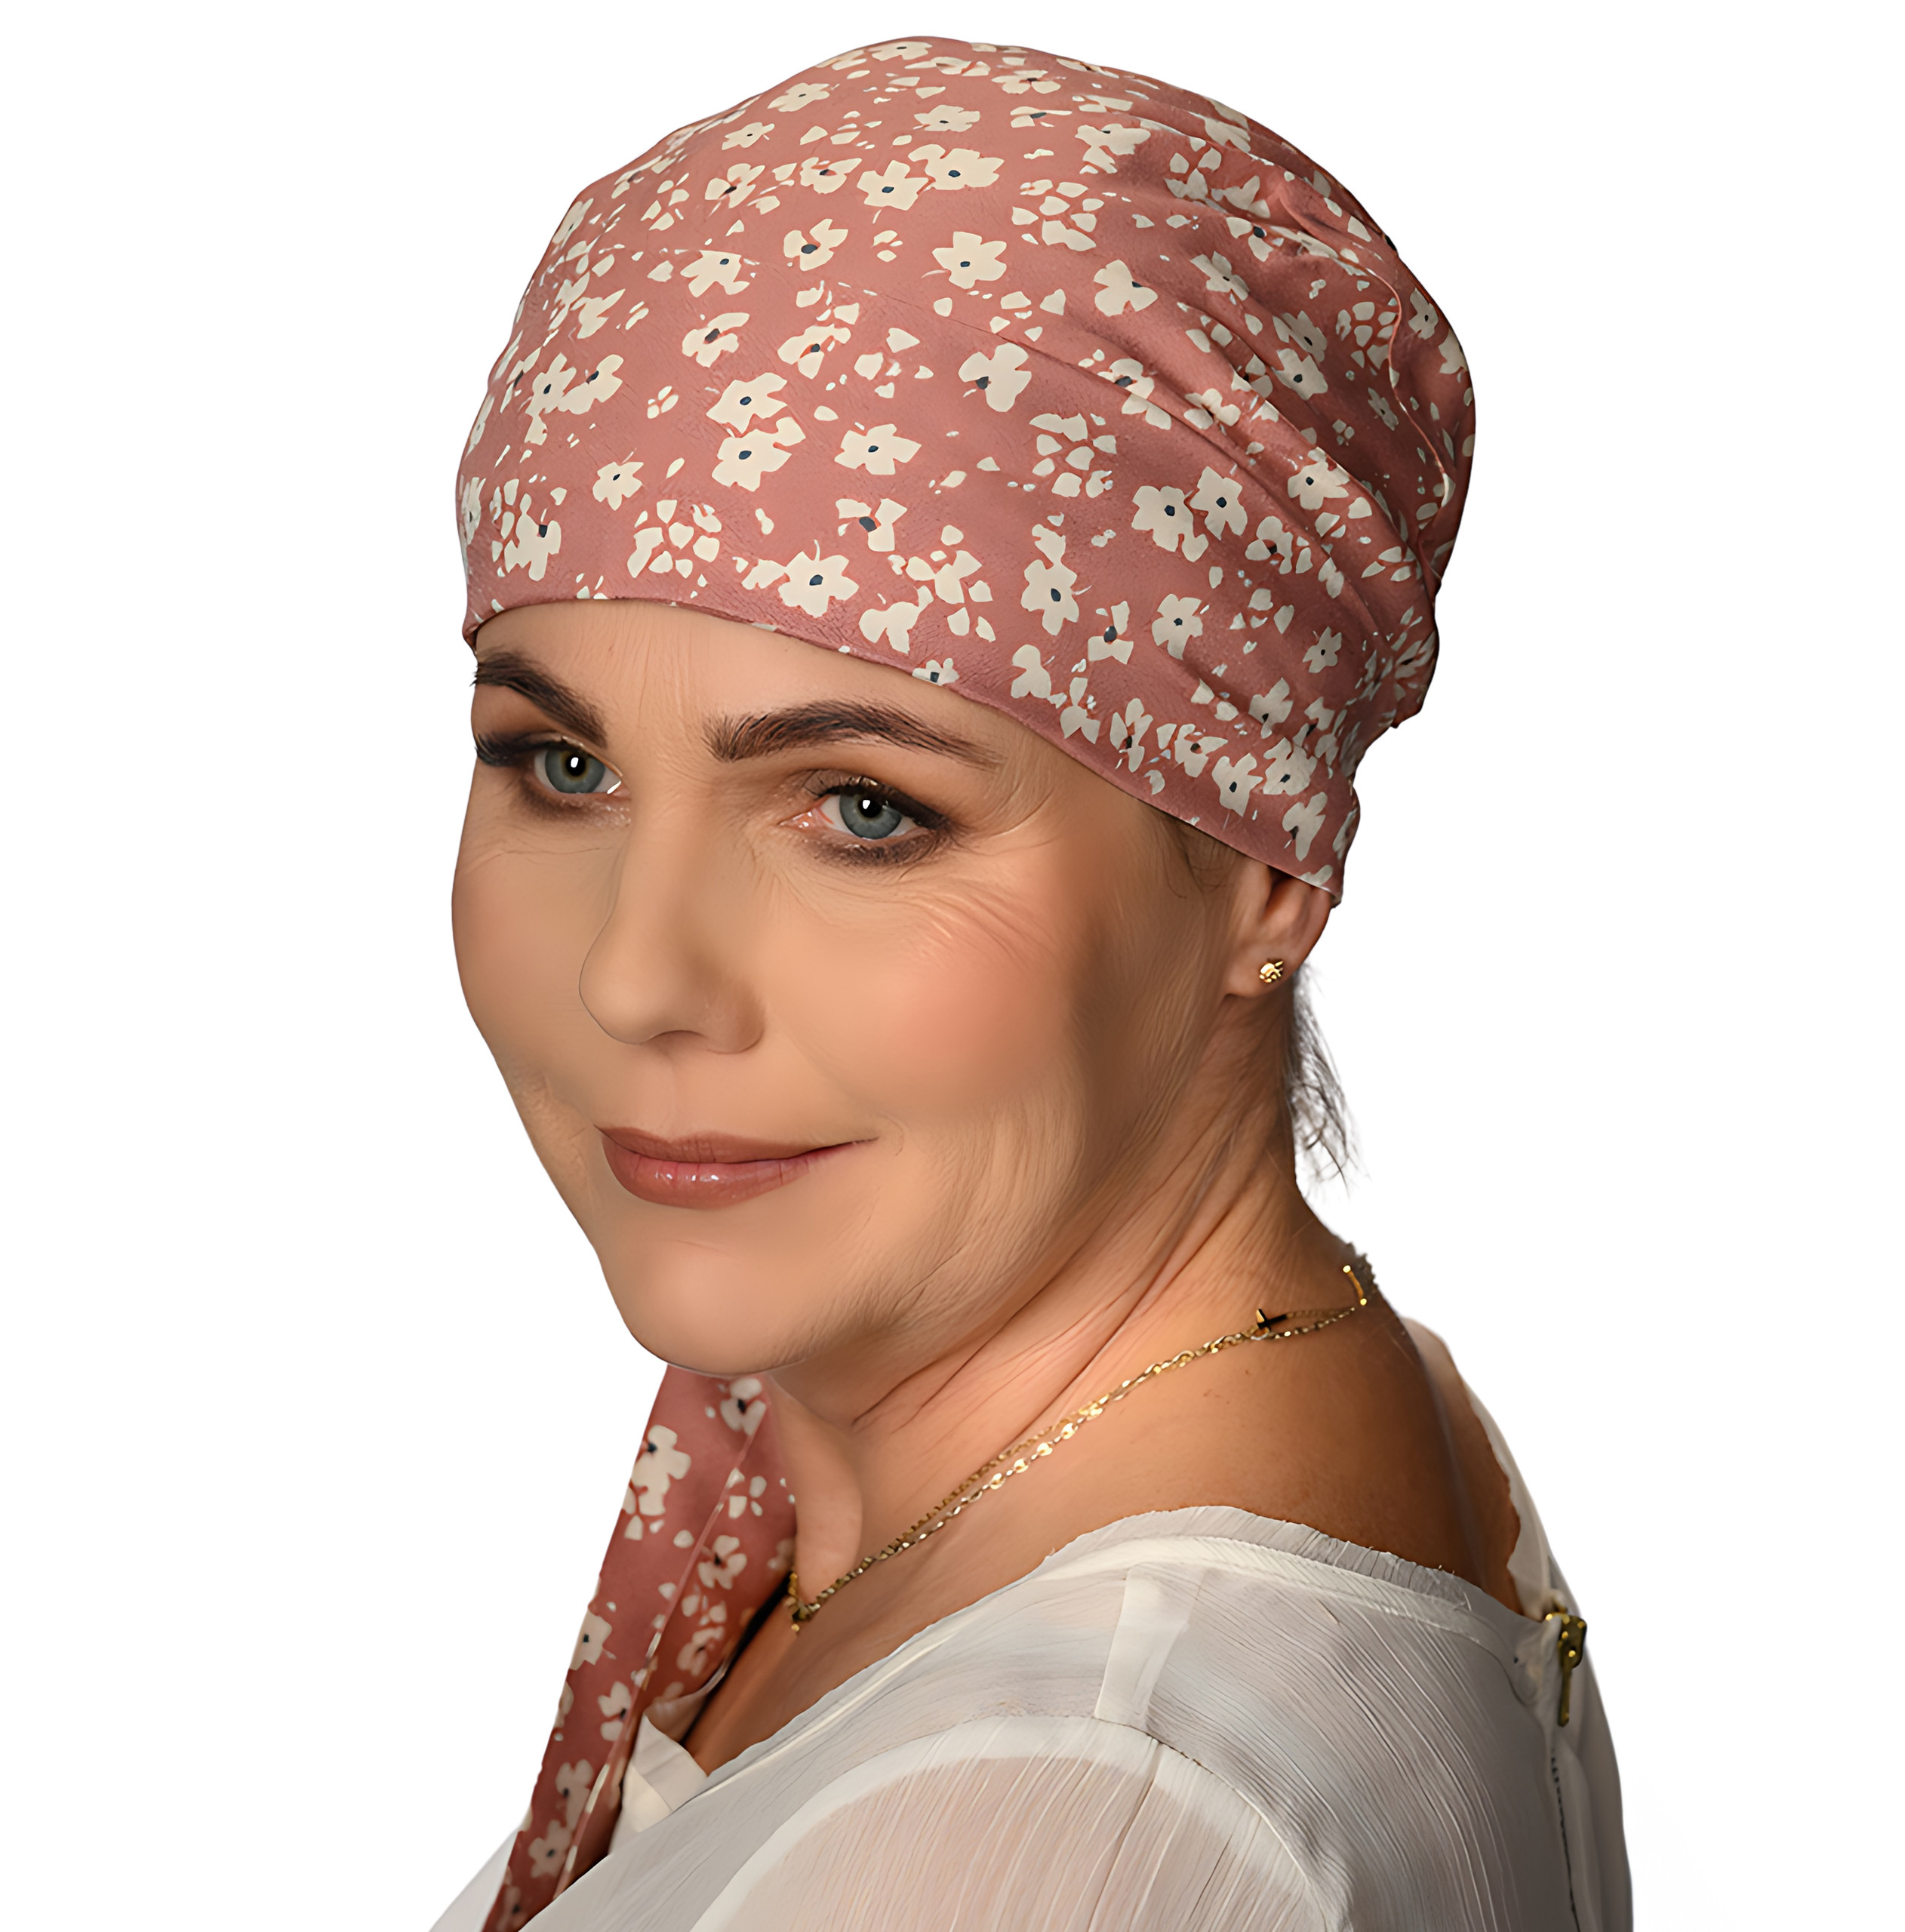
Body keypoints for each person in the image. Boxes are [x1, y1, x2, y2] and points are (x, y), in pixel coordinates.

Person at [431, 35, 1629, 1931]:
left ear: (1260, 868)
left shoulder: (1061, 1823)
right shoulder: (1292, 1403)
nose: (636, 974)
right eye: (560, 765)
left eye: (862, 807)